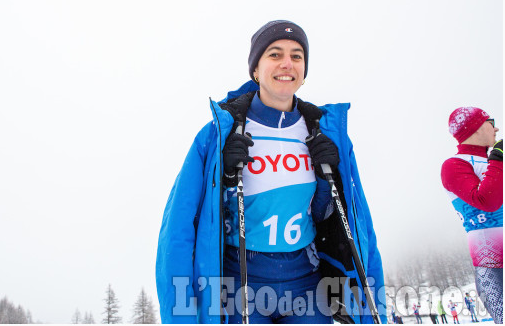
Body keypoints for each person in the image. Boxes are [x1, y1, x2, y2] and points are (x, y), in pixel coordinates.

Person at [156, 20, 386, 323]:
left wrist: (325, 182)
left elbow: (352, 220)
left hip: (307, 283)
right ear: (255, 69)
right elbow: (180, 225)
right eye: (275, 54)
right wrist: (225, 183)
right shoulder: (219, 134)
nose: (287, 63)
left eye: (297, 55)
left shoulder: (323, 133)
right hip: (240, 284)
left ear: (304, 71)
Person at [441, 107, 503, 324]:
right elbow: (487, 201)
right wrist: (498, 159)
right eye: (490, 121)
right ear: (475, 128)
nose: (496, 127)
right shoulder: (455, 165)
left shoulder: (495, 161)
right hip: (495, 266)